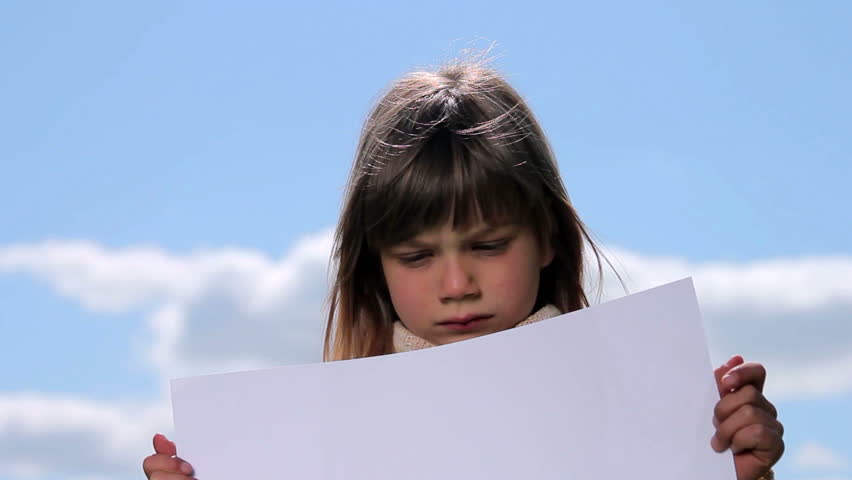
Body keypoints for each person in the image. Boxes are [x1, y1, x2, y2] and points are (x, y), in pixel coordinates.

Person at [143, 55, 785, 480]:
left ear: (548, 238)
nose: (457, 286)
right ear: (375, 267)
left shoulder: (662, 413)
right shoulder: (302, 446)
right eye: (417, 256)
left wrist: (743, 478)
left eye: (487, 246)